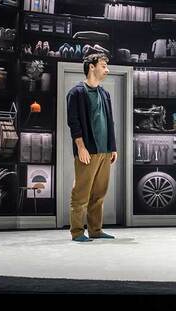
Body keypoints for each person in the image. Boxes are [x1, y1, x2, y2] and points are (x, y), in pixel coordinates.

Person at [66, 53, 118, 242]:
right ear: (91, 67)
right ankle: (78, 232)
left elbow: (110, 121)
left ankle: (95, 229)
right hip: (88, 151)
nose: (107, 70)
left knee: (99, 193)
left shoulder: (105, 93)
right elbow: (74, 123)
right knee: (81, 193)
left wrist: (113, 147)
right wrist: (81, 147)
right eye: (103, 66)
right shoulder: (76, 93)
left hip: (105, 151)